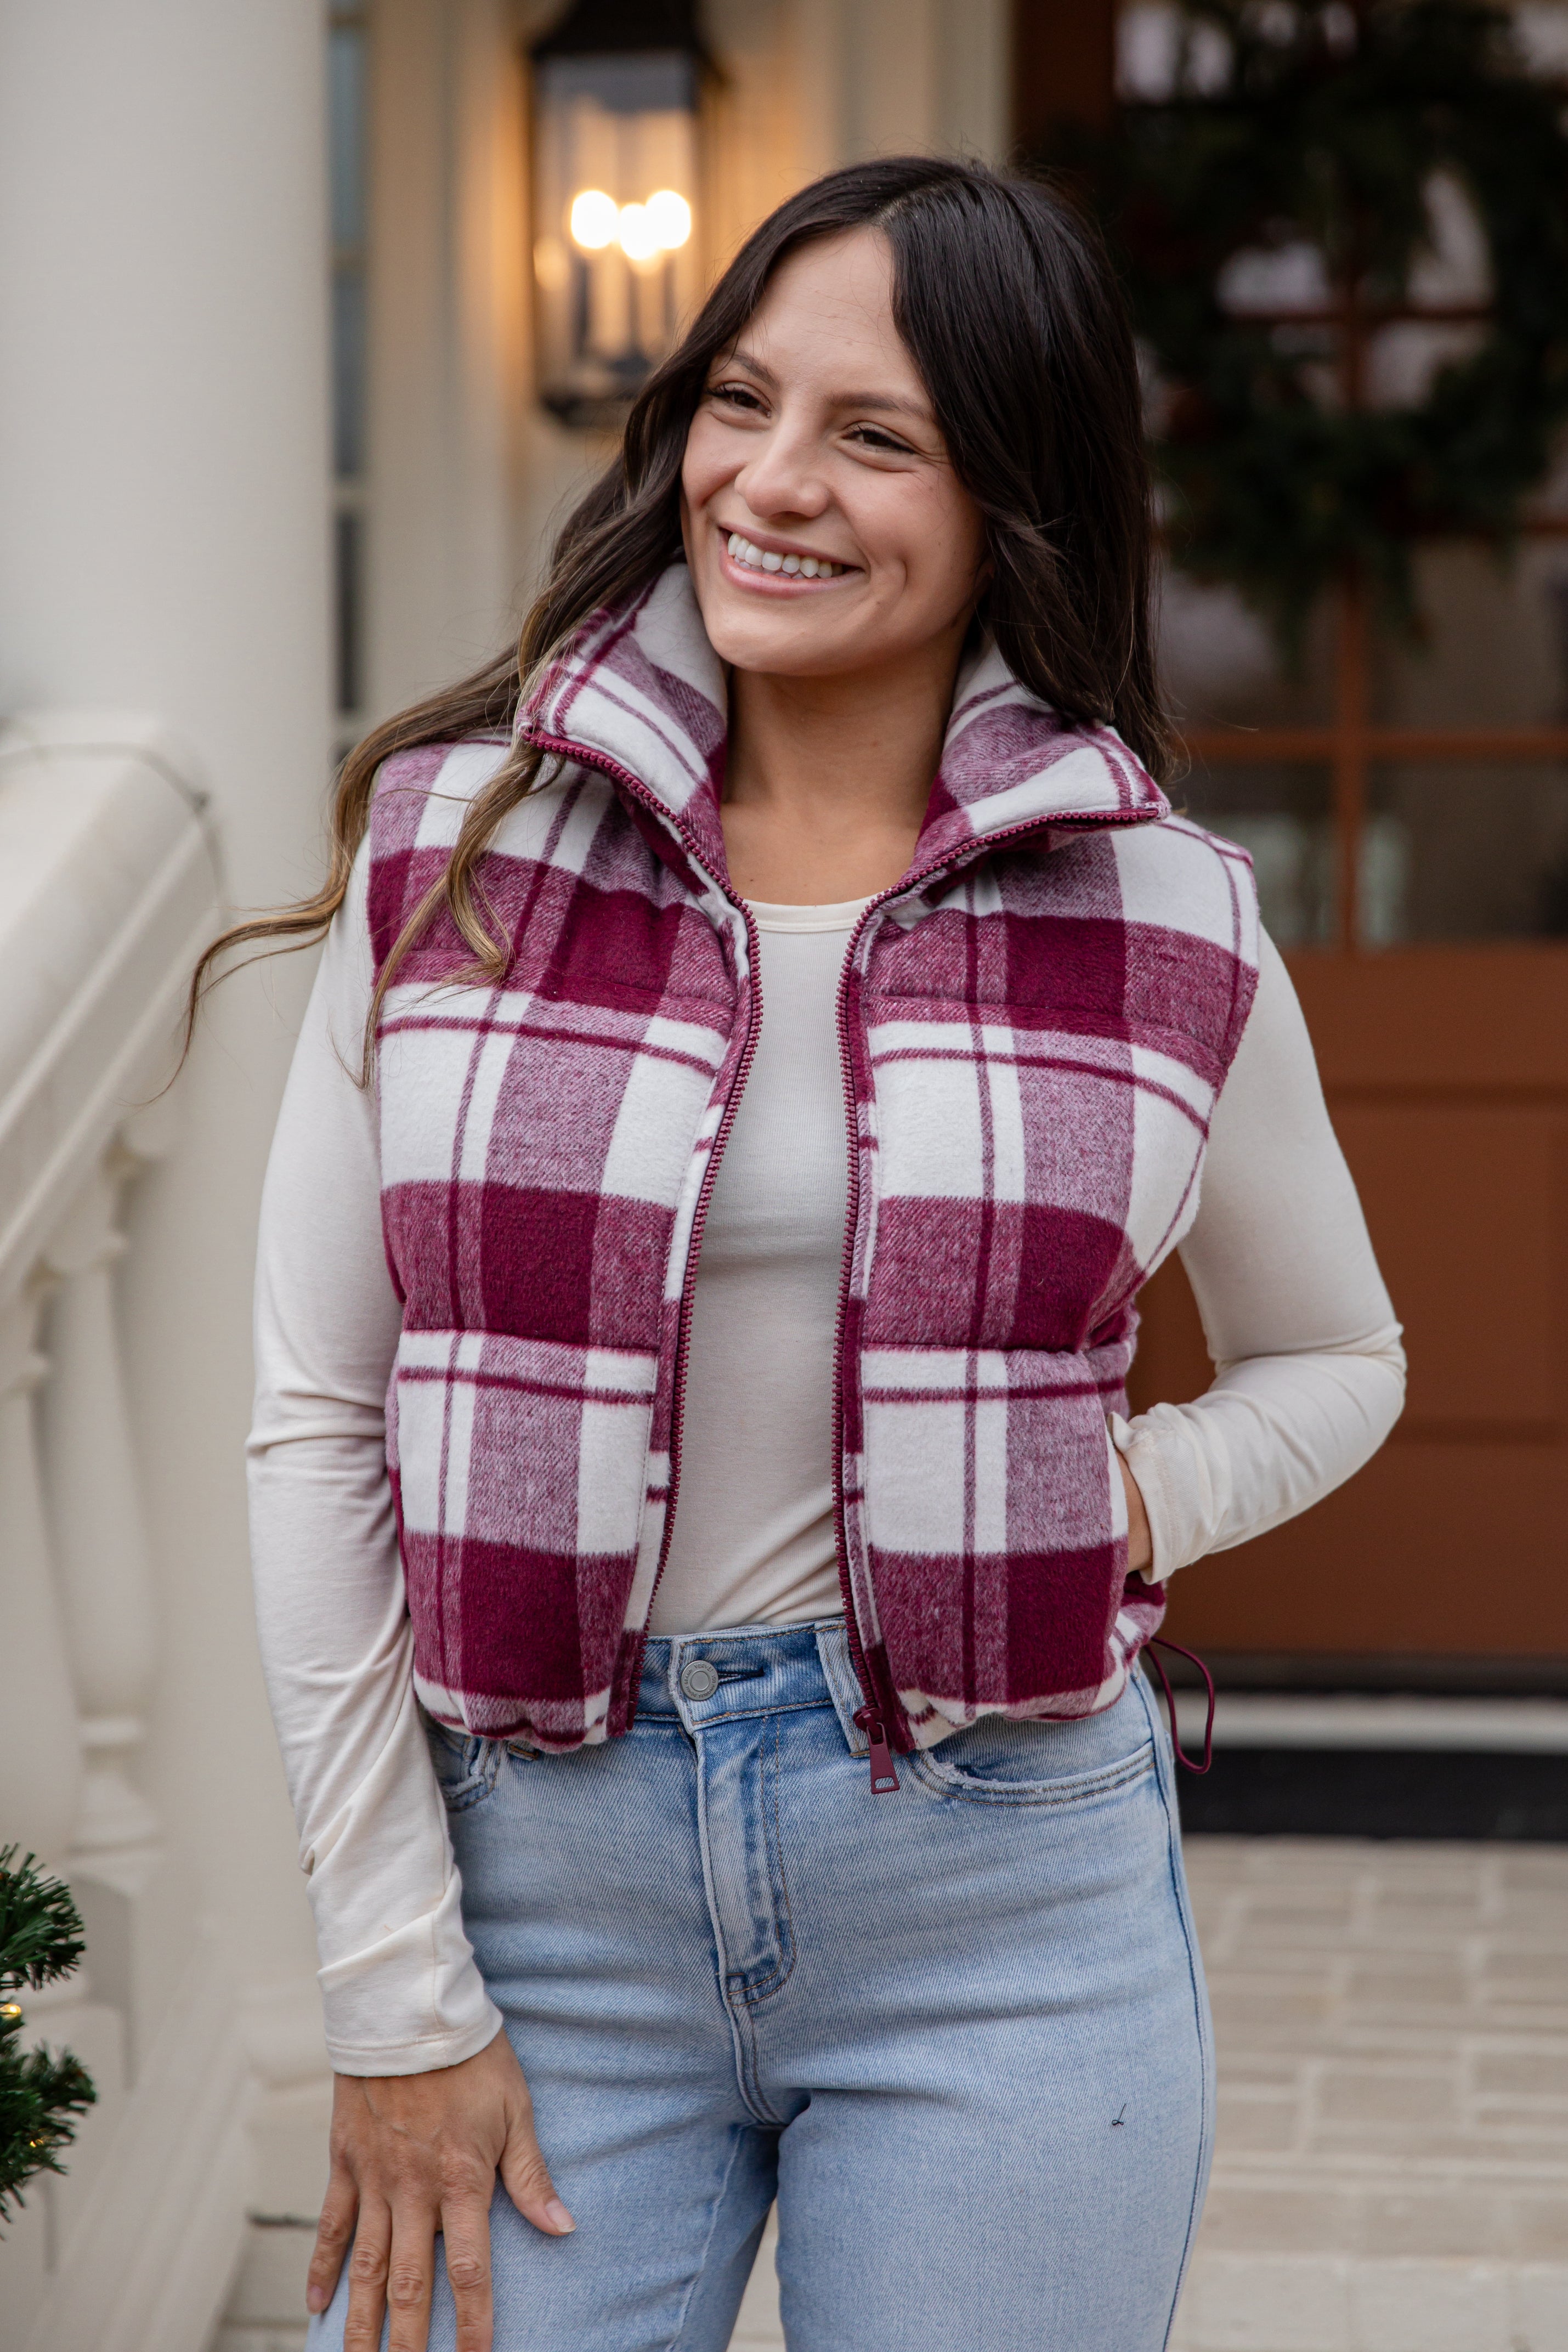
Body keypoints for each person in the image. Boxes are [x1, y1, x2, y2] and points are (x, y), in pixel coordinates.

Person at [225, 157, 1403, 2352]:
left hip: (1003, 1900)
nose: (767, 483)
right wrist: (396, 1995)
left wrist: (1126, 1491)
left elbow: (1337, 1355)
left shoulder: (1167, 918)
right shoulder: (456, 847)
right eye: (738, 403)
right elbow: (313, 1430)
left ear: (1012, 501)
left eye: (875, 436)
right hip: (539, 1888)